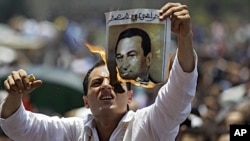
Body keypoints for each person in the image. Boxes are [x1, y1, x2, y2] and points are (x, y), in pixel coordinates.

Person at [0, 2, 198, 141]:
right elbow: (18, 128)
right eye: (97, 83)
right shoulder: (72, 131)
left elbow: (180, 94)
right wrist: (14, 95)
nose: (106, 86)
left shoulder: (150, 126)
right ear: (86, 100)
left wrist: (185, 37)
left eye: (116, 85)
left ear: (130, 96)